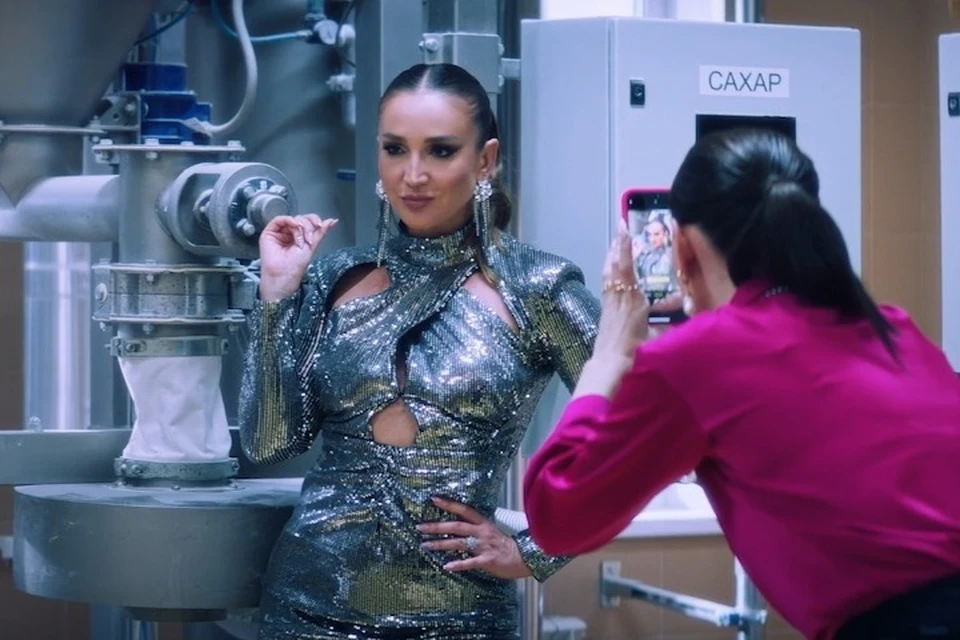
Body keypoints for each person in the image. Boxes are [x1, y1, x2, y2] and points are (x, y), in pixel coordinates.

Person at [522, 128, 960, 640]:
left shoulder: (699, 358)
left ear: (682, 247)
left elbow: (556, 516)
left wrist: (609, 356)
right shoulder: (894, 329)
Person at [238, 62, 599, 640]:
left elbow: (644, 431)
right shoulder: (334, 277)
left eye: (440, 151)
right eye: (394, 149)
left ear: (485, 160)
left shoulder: (539, 287)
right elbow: (269, 442)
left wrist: (535, 552)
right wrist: (276, 296)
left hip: (462, 617)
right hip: (306, 606)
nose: (413, 175)